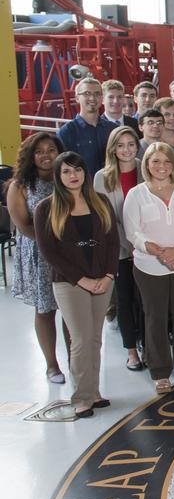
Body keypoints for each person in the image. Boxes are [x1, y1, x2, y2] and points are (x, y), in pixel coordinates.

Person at [33, 151, 119, 418]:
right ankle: (80, 397)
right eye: (67, 171)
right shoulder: (46, 208)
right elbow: (49, 252)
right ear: (59, 177)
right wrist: (82, 280)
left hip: (103, 280)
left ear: (85, 173)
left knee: (95, 338)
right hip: (70, 283)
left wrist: (108, 276)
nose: (73, 176)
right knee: (80, 339)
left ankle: (93, 392)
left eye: (78, 170)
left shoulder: (100, 201)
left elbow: (113, 241)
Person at [121, 143, 174, 394]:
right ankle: (159, 371)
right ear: (146, 164)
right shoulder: (136, 194)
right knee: (154, 317)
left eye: (166, 161)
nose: (161, 166)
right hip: (148, 266)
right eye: (155, 161)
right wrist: (161, 254)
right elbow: (133, 232)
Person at [7, 132, 66, 383]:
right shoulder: (20, 185)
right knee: (46, 310)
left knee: (72, 310)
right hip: (38, 253)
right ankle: (52, 365)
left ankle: (78, 360)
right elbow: (22, 226)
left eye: (50, 149)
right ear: (31, 155)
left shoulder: (65, 178)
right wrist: (50, 247)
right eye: (39, 151)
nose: (45, 155)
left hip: (69, 252)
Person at [94, 126, 146, 372]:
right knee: (125, 300)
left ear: (137, 145)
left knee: (148, 301)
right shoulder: (101, 177)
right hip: (121, 250)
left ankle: (149, 345)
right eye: (120, 145)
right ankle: (131, 351)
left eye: (131, 144)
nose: (126, 150)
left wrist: (143, 244)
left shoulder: (147, 169)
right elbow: (106, 219)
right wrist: (130, 244)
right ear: (112, 148)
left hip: (148, 249)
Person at [57, 78, 115, 177]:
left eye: (97, 94)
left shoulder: (113, 129)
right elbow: (62, 169)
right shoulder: (66, 132)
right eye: (87, 93)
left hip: (111, 188)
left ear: (102, 98)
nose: (92, 98)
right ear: (77, 98)